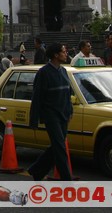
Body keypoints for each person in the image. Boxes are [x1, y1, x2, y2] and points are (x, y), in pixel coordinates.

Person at [27, 43, 73, 181]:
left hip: (63, 114)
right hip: (51, 115)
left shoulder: (64, 71)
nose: (66, 54)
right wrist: (34, 119)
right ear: (56, 55)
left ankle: (36, 170)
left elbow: (67, 93)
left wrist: (70, 110)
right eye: (64, 52)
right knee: (60, 147)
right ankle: (67, 180)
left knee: (56, 146)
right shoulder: (44, 73)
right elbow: (37, 97)